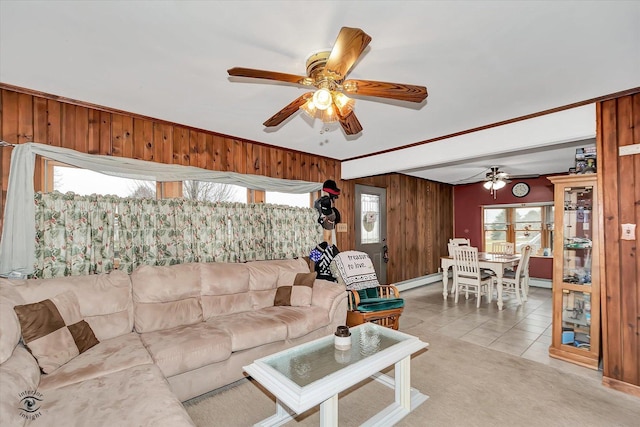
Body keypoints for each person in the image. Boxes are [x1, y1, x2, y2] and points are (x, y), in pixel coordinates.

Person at [314, 180, 341, 244]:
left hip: (326, 230)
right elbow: (327, 215)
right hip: (327, 231)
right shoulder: (325, 201)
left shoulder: (320, 200)